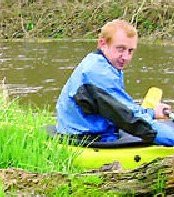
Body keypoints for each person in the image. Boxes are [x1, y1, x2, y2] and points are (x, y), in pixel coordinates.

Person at [56, 18, 174, 146]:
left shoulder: (103, 62)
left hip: (90, 128)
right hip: (87, 138)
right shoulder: (98, 72)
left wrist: (151, 112)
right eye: (120, 49)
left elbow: (120, 106)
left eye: (130, 50)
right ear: (102, 44)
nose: (126, 57)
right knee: (154, 132)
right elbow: (129, 118)